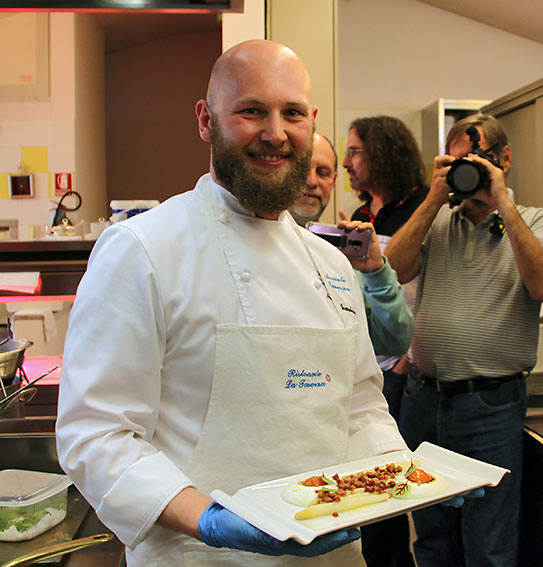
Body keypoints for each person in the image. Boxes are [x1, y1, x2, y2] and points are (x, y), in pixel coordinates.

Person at [55, 40, 407, 567]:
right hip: (199, 555)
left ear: (311, 122)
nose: (274, 133)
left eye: (291, 113)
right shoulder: (144, 249)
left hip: (332, 556)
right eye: (250, 111)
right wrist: (208, 520)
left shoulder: (331, 264)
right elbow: (97, 434)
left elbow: (357, 405)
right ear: (205, 119)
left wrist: (404, 476)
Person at [385, 113, 543, 567]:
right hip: (423, 399)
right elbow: (392, 271)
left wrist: (501, 203)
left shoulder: (534, 220)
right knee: (432, 540)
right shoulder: (438, 221)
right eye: (459, 160)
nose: (471, 168)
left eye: (480, 158)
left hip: (491, 407)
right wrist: (433, 199)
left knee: (489, 545)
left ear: (504, 159)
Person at [341, 116, 427, 567]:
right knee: (367, 505)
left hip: (396, 370)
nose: (345, 163)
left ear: (383, 152)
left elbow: (425, 289)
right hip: (362, 368)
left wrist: (406, 359)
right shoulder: (363, 217)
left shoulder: (416, 211)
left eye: (355, 151)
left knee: (388, 503)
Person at [290, 131, 414, 358]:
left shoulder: (340, 258)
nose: (311, 181)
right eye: (302, 169)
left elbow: (395, 340)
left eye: (323, 172)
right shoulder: (251, 245)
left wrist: (377, 272)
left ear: (334, 181)